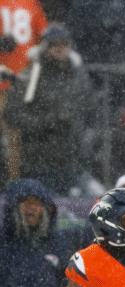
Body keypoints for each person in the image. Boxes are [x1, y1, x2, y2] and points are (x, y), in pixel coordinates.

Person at [3, 23, 95, 195]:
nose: (59, 48)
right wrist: (46, 122)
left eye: (64, 43)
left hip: (74, 160)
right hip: (40, 160)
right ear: (45, 47)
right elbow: (12, 115)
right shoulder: (31, 75)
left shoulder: (79, 76)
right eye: (53, 44)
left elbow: (92, 110)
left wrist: (86, 135)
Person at [0, 0, 48, 186]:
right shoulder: (30, 4)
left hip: (21, 83)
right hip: (15, 81)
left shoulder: (31, 4)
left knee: (16, 139)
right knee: (13, 139)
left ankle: (15, 183)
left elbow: (43, 41)